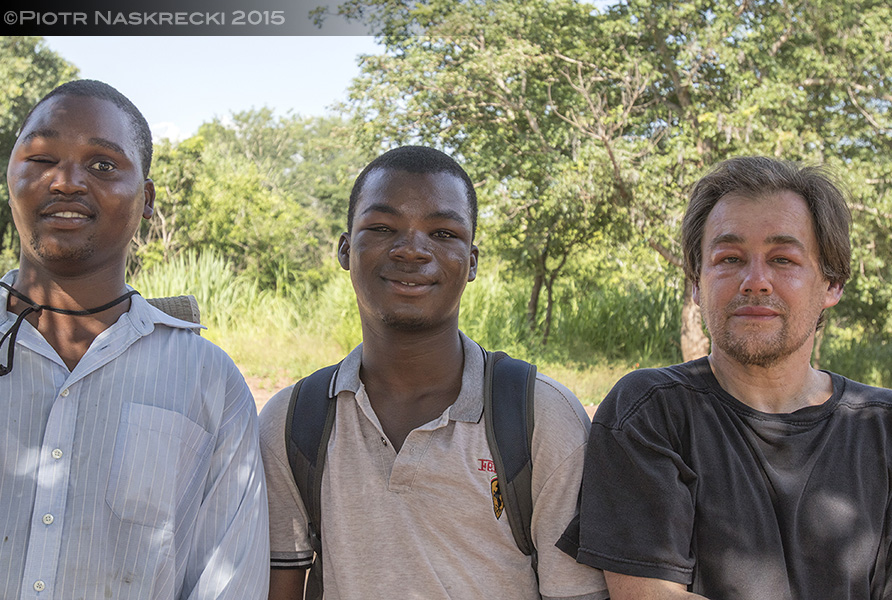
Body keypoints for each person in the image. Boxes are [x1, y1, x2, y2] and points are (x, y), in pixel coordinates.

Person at [259, 145, 607, 600]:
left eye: (442, 233)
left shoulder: (541, 418)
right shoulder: (293, 421)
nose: (411, 250)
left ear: (473, 261)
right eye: (382, 228)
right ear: (346, 250)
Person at [557, 156, 892, 599]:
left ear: (832, 283)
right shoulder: (650, 412)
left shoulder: (882, 428)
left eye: (783, 259)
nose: (756, 281)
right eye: (730, 258)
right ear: (696, 282)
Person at [0, 80, 269, 599]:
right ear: (10, 176)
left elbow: (226, 583)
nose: (66, 181)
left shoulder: (208, 381)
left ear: (145, 200)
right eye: (42, 157)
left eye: (101, 165)